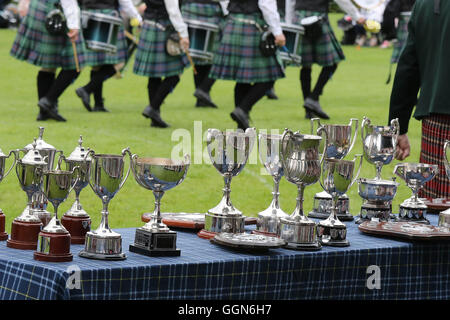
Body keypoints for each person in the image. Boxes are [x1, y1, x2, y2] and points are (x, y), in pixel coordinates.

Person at [389, 0, 450, 198]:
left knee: (435, 207)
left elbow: (408, 67)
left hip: (435, 119)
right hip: (436, 117)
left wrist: (400, 127)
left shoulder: (424, 4)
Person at [209, 0, 286, 129]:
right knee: (269, 78)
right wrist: (277, 32)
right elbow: (266, 4)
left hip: (233, 23)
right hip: (252, 24)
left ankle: (241, 125)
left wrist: (231, 13)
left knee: (242, 79)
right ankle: (242, 110)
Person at [287, 0, 365, 119]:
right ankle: (312, 99)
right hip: (318, 18)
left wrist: (289, 22)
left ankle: (309, 108)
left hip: (299, 18)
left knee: (306, 65)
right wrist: (356, 16)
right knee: (333, 61)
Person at [10, 0, 83, 122]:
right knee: (76, 65)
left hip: (38, 9)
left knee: (48, 64)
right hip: (54, 12)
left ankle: (44, 112)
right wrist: (74, 24)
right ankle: (48, 101)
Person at [74, 0, 142, 113]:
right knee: (120, 62)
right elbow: (125, 2)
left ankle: (98, 103)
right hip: (107, 14)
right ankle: (86, 89)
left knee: (97, 64)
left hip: (88, 15)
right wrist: (137, 18)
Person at [133, 0, 189, 128]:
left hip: (149, 25)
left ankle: (155, 117)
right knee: (176, 74)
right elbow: (173, 11)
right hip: (162, 27)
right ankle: (153, 108)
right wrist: (183, 34)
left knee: (154, 75)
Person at [181, 0, 228, 109]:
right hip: (211, 10)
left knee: (199, 57)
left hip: (190, 8)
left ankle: (201, 98)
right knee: (220, 56)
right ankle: (203, 89)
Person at [382, 0, 415, 83]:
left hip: (406, 19)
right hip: (410, 18)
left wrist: (389, 34)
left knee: (405, 56)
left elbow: (390, 12)